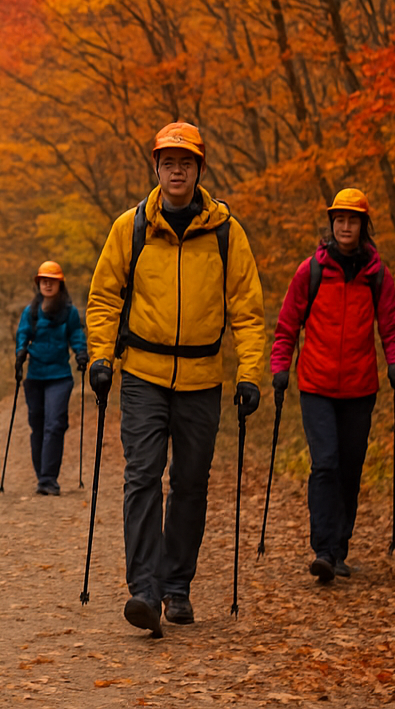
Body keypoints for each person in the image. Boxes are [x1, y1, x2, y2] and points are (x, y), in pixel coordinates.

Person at [85, 122, 266, 637]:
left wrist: (249, 373)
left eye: (186, 162)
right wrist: (102, 357)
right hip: (142, 374)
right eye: (169, 161)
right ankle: (144, 591)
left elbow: (249, 313)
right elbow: (103, 297)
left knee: (189, 485)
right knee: (142, 477)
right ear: (157, 168)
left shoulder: (227, 233)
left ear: (199, 169)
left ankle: (177, 588)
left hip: (202, 380)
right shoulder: (131, 227)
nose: (177, 170)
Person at [270, 187, 395, 584]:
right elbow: (287, 325)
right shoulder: (310, 271)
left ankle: (340, 547)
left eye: (353, 220)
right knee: (325, 464)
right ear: (331, 225)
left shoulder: (377, 276)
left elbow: (392, 327)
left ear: (364, 226)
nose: (345, 226)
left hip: (361, 389)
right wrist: (280, 367)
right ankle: (324, 551)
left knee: (350, 468)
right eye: (339, 220)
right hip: (316, 385)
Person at [14, 261, 87, 496]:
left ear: (60, 283)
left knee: (54, 425)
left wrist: (81, 353)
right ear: (38, 283)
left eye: (52, 280)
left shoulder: (69, 312)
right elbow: (22, 333)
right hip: (35, 376)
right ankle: (42, 476)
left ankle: (48, 479)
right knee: (37, 426)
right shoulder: (31, 311)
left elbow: (76, 334)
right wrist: (20, 351)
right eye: (43, 280)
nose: (47, 283)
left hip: (60, 377)